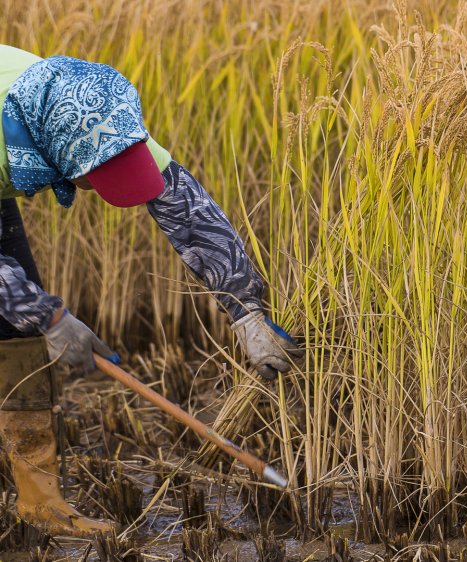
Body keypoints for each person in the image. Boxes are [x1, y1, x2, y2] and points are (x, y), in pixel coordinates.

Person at [0, 45, 302, 538]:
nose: (106, 186)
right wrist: (48, 316)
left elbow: (187, 211)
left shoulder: (97, 112)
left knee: (15, 329)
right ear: (52, 150)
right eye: (97, 176)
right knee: (21, 310)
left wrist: (245, 307)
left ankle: (40, 505)